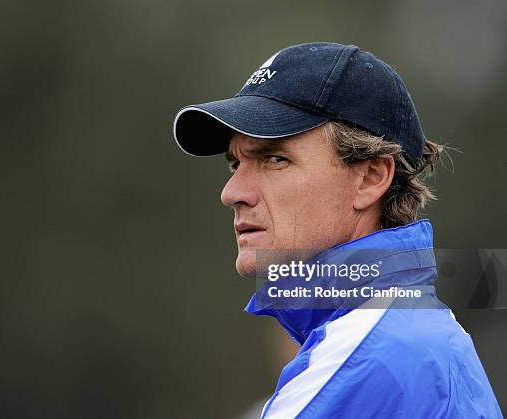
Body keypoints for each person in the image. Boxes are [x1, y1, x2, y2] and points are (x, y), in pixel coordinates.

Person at [172, 42, 503, 418]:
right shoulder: (412, 334)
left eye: (275, 159)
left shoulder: (368, 354)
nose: (232, 193)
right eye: (236, 164)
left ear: (370, 178)